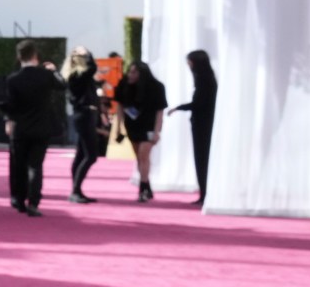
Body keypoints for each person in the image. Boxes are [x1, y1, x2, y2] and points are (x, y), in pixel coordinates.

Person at [0, 40, 61, 216]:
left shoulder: (13, 80)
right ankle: (33, 202)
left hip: (20, 129)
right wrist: (54, 71)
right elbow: (62, 85)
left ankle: (19, 201)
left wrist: (8, 118)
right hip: (41, 128)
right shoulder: (46, 76)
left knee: (19, 166)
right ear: (35, 55)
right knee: (36, 166)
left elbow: (9, 105)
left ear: (19, 57)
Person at [115, 60, 170, 202]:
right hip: (132, 126)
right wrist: (118, 128)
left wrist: (158, 131)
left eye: (134, 72)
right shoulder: (124, 85)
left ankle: (142, 187)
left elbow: (160, 111)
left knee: (143, 155)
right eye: (130, 71)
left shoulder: (157, 87)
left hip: (149, 126)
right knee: (139, 158)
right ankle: (147, 186)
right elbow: (120, 107)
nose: (130, 75)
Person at [172, 49, 217, 205]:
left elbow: (199, 104)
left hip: (203, 126)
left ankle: (205, 193)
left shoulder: (205, 81)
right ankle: (204, 192)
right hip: (202, 124)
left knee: (202, 159)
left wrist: (179, 107)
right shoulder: (207, 80)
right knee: (202, 160)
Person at [65, 50, 108, 204]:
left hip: (85, 115)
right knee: (91, 155)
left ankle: (76, 190)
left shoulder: (77, 76)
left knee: (81, 154)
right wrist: (88, 53)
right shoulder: (79, 75)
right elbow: (92, 68)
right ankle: (75, 190)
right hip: (84, 115)